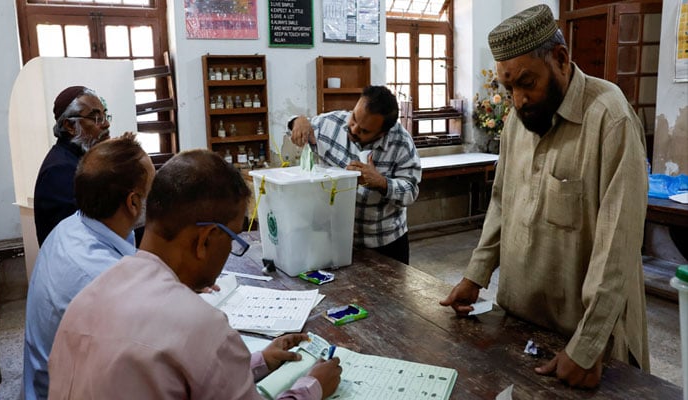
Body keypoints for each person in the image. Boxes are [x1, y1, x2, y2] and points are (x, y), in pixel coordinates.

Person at [439, 4, 649, 389]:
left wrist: (586, 347)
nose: (518, 100)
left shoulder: (609, 118)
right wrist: (476, 274)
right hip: (520, 322)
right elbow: (503, 202)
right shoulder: (516, 123)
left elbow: (618, 244)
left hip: (585, 339)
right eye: (508, 88)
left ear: (561, 59)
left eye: (527, 82)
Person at [48, 150, 342, 399]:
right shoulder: (204, 329)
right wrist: (312, 386)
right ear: (205, 240)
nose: (231, 251)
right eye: (233, 239)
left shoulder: (90, 295)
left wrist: (256, 363)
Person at [23, 133, 154, 399]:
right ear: (132, 202)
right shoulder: (103, 280)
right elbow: (159, 362)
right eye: (155, 188)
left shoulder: (73, 225)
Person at [290, 86, 421, 264]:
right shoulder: (331, 124)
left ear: (383, 132)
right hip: (336, 239)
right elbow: (297, 127)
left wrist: (381, 183)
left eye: (364, 131)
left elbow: (411, 191)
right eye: (354, 118)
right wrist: (298, 121)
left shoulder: (401, 143)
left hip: (385, 242)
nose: (353, 129)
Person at [34, 85, 112, 246]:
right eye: (96, 118)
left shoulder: (82, 160)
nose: (106, 125)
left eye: (105, 116)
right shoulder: (59, 171)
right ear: (70, 126)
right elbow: (80, 238)